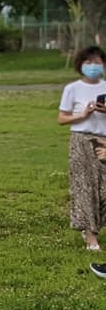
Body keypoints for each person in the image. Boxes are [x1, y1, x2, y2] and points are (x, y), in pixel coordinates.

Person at [57, 45, 106, 250]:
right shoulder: (72, 89)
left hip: (103, 140)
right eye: (88, 62)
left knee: (103, 189)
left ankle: (96, 226)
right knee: (84, 187)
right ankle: (90, 234)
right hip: (80, 140)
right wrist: (83, 115)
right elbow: (62, 118)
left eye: (97, 62)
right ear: (80, 65)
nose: (93, 66)